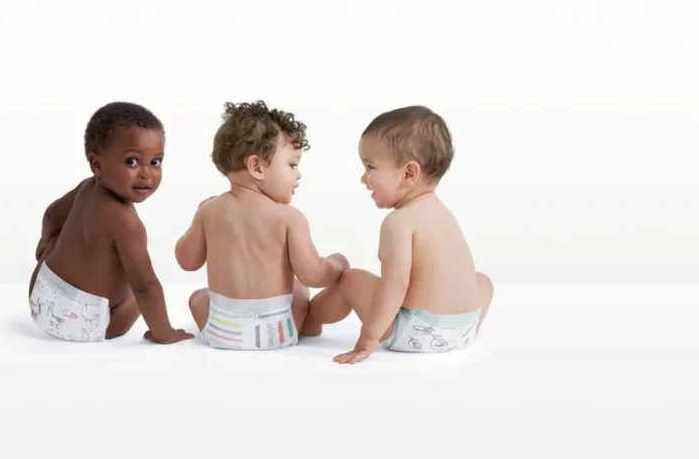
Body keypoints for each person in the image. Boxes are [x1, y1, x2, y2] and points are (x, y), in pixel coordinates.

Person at [299, 105, 494, 363]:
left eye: (370, 167)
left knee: (351, 280)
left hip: (416, 333)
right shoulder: (444, 214)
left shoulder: (398, 222)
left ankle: (310, 320)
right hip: (464, 330)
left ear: (409, 173)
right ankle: (457, 326)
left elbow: (396, 284)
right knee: (482, 280)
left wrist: (369, 337)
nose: (363, 178)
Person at [175, 100, 348, 350]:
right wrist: (337, 264)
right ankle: (306, 325)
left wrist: (199, 214)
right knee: (299, 289)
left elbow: (186, 261)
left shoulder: (209, 211)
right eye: (292, 164)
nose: (298, 174)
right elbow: (313, 274)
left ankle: (226, 332)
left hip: (221, 332)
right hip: (276, 333)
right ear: (256, 166)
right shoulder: (289, 216)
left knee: (198, 297)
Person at [29, 102, 192, 344]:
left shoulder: (87, 186)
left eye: (155, 162)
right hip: (79, 325)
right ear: (97, 165)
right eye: (132, 162)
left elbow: (52, 214)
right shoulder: (126, 222)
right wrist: (164, 333)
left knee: (62, 237)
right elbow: (145, 285)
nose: (147, 174)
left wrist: (45, 242)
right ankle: (154, 330)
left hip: (39, 298)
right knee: (137, 292)